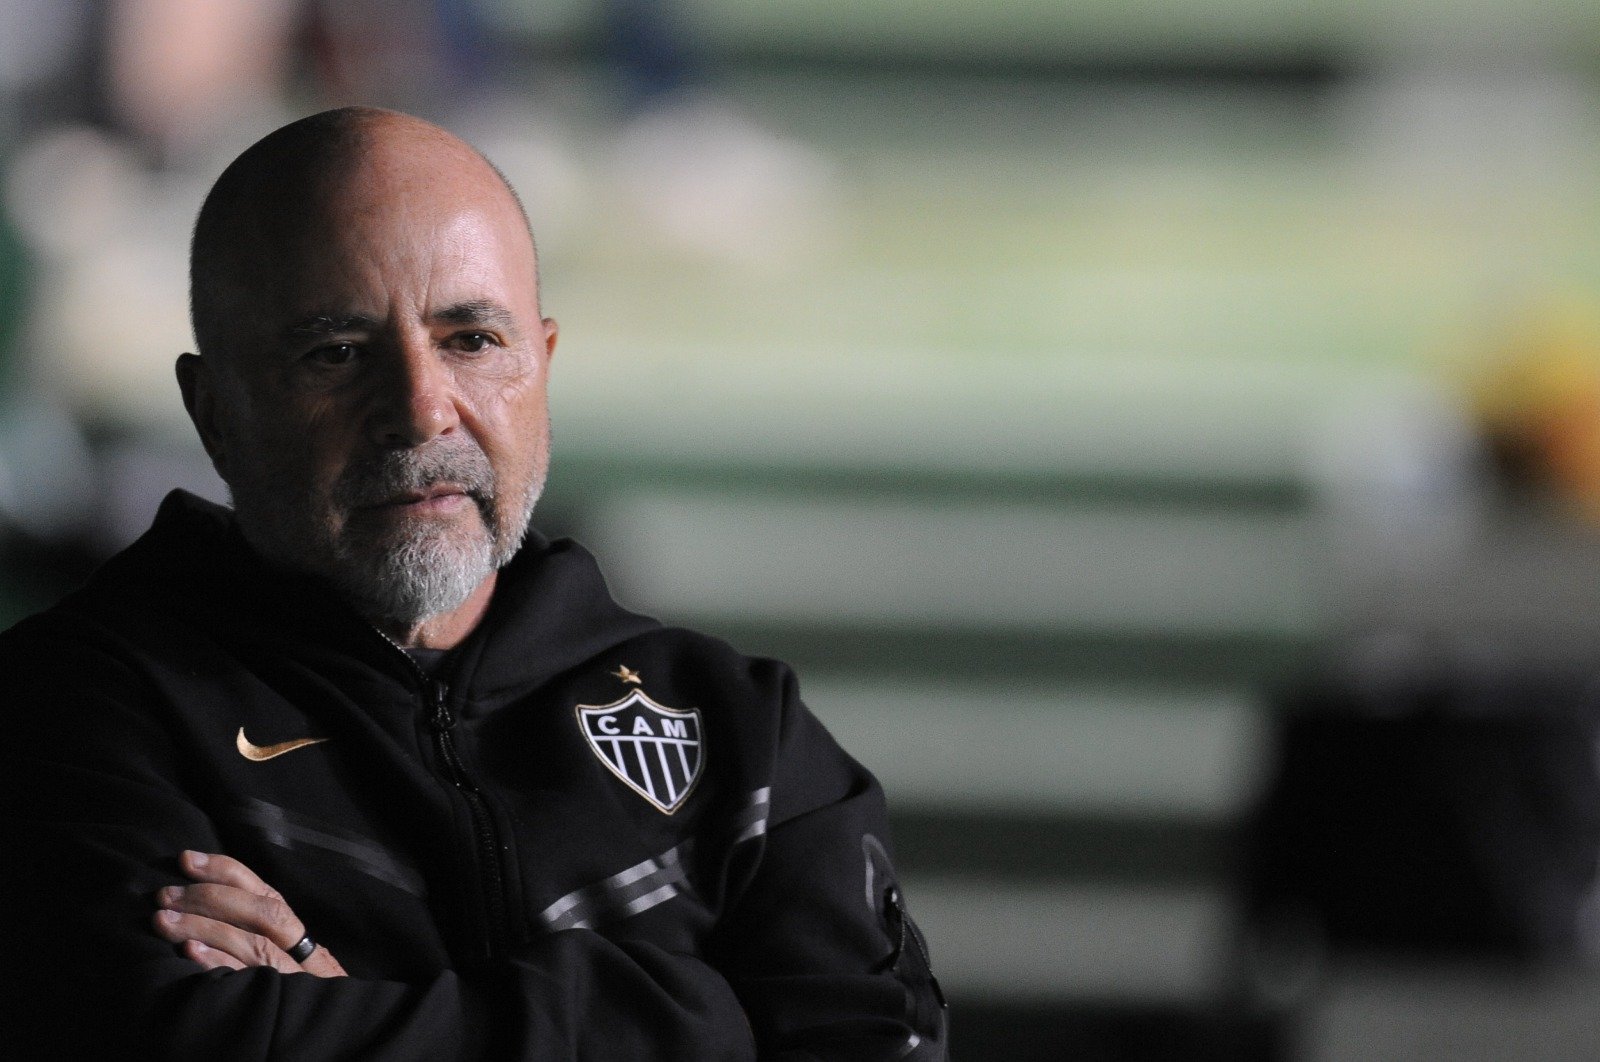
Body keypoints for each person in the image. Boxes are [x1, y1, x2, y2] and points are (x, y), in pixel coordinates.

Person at [0, 107, 947, 1060]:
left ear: (542, 365)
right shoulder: (71, 717)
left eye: (472, 340)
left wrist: (348, 1021)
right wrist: (696, 1023)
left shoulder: (745, 739)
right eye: (335, 354)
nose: (420, 409)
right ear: (214, 412)